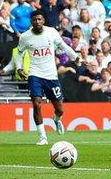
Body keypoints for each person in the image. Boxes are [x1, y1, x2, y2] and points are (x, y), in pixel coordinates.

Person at [15, 10, 80, 145]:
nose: (37, 22)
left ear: (43, 20)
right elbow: (19, 53)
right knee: (37, 104)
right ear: (31, 22)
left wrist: (76, 57)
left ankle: (56, 119)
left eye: (39, 19)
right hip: (35, 74)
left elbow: (63, 46)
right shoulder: (25, 37)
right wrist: (19, 68)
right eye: (34, 20)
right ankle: (42, 137)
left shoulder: (51, 32)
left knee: (60, 109)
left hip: (51, 75)